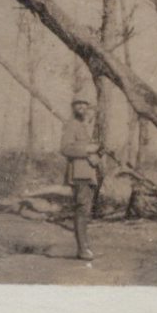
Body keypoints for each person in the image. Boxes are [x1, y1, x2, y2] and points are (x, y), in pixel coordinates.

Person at [60, 94, 101, 261]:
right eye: (78, 105)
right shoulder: (72, 125)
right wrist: (87, 151)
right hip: (79, 174)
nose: (81, 108)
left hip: (89, 173)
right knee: (82, 210)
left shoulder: (85, 126)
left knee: (85, 210)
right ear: (73, 108)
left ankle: (84, 247)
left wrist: (95, 155)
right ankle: (82, 249)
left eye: (84, 105)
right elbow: (65, 149)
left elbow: (91, 149)